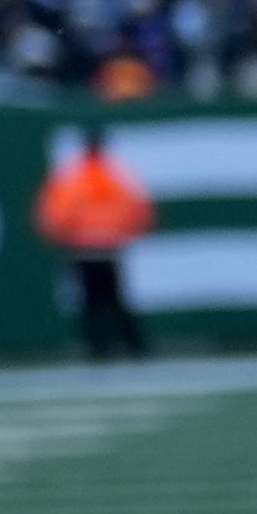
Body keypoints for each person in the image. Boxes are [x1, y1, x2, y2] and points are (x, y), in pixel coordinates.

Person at [39, 125, 157, 361]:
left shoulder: (72, 178)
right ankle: (133, 345)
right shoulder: (118, 175)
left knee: (91, 301)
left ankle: (98, 347)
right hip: (111, 248)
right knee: (116, 299)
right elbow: (139, 210)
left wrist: (63, 236)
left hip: (82, 248)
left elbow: (56, 215)